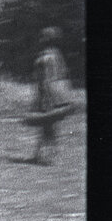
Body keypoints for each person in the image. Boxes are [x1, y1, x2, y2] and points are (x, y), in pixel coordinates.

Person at [28, 26, 74, 165]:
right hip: (56, 92)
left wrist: (43, 96)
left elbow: (45, 78)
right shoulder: (57, 54)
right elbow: (63, 74)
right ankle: (41, 155)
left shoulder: (46, 56)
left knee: (48, 124)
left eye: (43, 37)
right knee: (48, 125)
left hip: (48, 93)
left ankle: (48, 157)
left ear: (46, 39)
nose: (40, 39)